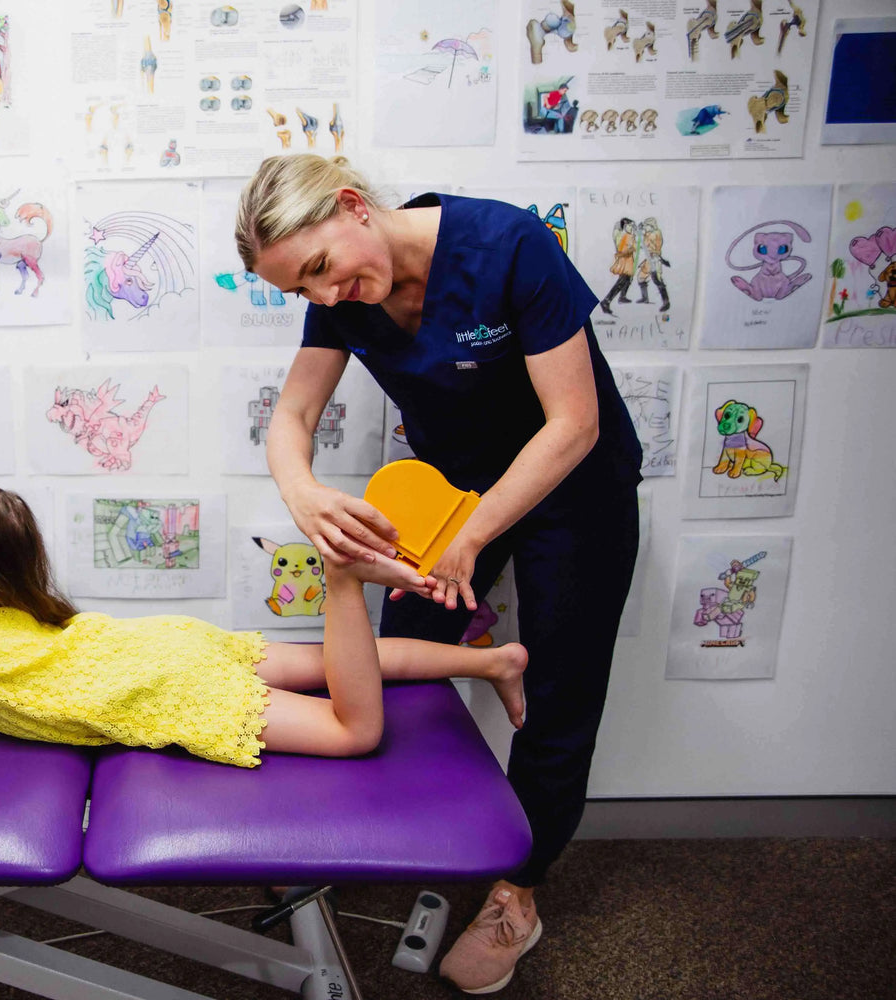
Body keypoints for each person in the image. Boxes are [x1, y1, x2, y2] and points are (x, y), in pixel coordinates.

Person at [238, 154, 641, 994]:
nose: (321, 298)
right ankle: (374, 840)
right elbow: (293, 414)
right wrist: (304, 489)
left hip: (575, 490)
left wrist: (478, 535)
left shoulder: (505, 243)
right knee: (392, 668)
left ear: (352, 207)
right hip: (452, 492)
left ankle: (516, 897)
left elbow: (573, 423)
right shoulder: (344, 297)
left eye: (318, 269)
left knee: (561, 694)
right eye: (299, 292)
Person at [0, 478, 528, 771]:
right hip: (161, 646)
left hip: (162, 688)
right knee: (334, 663)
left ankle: (343, 581)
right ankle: (492, 663)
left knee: (355, 731)